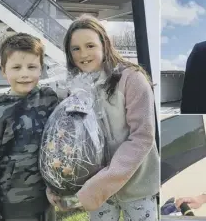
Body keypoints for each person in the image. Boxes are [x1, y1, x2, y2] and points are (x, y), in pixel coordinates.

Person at [46, 15, 160, 221]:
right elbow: (68, 141)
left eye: (90, 45)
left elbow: (142, 137)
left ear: (105, 44)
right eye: (76, 49)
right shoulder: (73, 90)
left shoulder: (132, 79)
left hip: (136, 187)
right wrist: (57, 183)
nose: (83, 54)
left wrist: (101, 184)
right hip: (96, 191)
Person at [0, 33, 59, 221]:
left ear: (41, 69)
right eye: (16, 67)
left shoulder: (48, 100)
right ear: (4, 70)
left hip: (45, 205)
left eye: (32, 67)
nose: (24, 74)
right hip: (10, 210)